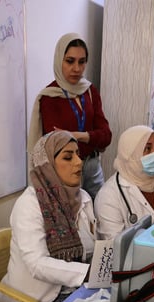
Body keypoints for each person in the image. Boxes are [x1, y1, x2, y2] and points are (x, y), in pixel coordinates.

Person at [0, 131, 97, 302]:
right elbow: (37, 264)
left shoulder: (83, 198)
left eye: (79, 154)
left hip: (75, 288)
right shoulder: (29, 205)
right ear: (47, 166)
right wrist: (87, 273)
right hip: (37, 300)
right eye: (68, 157)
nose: (79, 162)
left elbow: (95, 244)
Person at [29, 32, 112, 199]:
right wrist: (91, 137)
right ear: (59, 60)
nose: (77, 69)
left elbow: (107, 136)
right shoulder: (49, 97)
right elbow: (58, 144)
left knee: (101, 214)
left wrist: (76, 135)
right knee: (73, 220)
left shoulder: (89, 91)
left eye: (82, 62)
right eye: (70, 61)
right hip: (65, 170)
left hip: (92, 166)